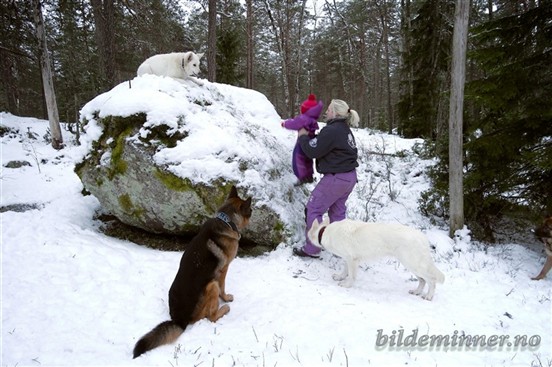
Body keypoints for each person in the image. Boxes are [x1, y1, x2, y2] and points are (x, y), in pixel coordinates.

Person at [293, 99, 359, 258]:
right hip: (349, 177)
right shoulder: (343, 129)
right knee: (337, 212)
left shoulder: (332, 130)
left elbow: (312, 151)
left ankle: (312, 248)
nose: (326, 112)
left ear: (335, 113)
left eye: (329, 110)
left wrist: (302, 136)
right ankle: (340, 247)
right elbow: (323, 144)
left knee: (313, 208)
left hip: (336, 178)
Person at [281, 94, 323, 184]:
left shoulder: (304, 118)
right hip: (310, 142)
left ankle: (302, 177)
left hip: (301, 143)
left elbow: (294, 123)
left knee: (298, 158)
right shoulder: (313, 120)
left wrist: (285, 123)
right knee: (308, 160)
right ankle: (309, 176)